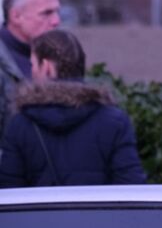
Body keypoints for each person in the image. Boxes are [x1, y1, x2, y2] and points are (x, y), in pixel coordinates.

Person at [0, 29, 146, 186]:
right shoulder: (115, 122)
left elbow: (10, 190)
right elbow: (130, 186)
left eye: (33, 65)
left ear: (47, 67)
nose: (31, 72)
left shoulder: (20, 124)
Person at [0, 0, 61, 138]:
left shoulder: (60, 56)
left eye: (57, 12)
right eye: (46, 13)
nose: (56, 21)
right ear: (16, 16)